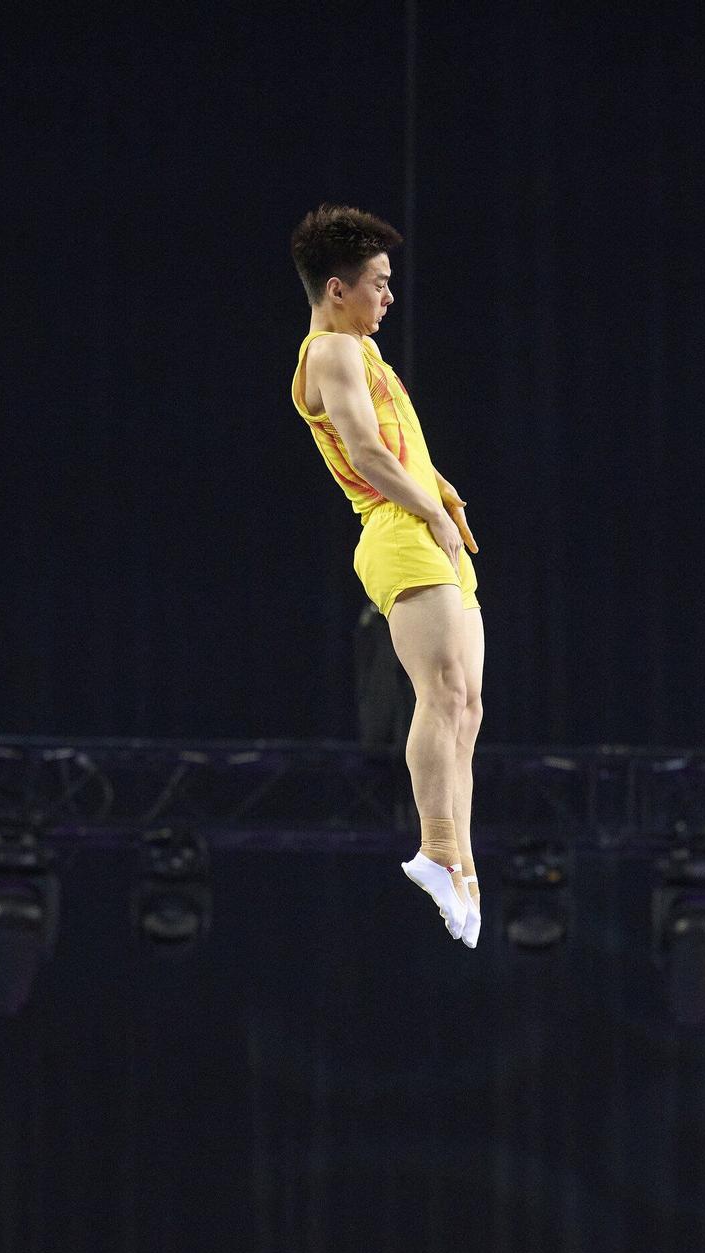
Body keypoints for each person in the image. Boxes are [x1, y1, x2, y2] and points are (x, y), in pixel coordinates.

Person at [288, 203, 485, 947]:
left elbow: (405, 451)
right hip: (398, 532)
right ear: (336, 290)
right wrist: (429, 513)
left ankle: (462, 863)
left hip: (425, 528)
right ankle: (437, 847)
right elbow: (368, 455)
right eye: (378, 283)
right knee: (441, 694)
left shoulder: (366, 356)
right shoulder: (329, 353)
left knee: (466, 706)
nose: (389, 297)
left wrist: (446, 497)